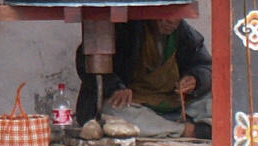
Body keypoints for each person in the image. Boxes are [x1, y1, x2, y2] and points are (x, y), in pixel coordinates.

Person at [73, 17, 212, 138]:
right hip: (136, 105)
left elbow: (206, 66)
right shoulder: (125, 27)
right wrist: (115, 87)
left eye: (177, 15)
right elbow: (87, 64)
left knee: (218, 98)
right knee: (112, 110)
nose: (171, 20)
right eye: (164, 13)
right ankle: (186, 130)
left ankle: (165, 128)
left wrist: (196, 79)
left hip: (174, 104)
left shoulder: (184, 32)